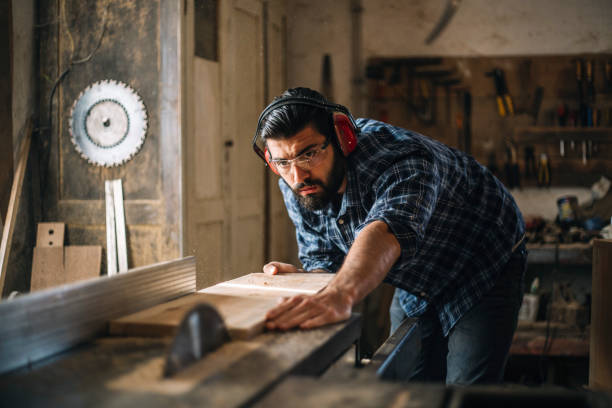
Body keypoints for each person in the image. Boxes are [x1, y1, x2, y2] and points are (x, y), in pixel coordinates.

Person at [252, 87, 527, 384]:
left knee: (465, 394)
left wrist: (340, 294)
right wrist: (311, 280)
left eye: (309, 153)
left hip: (481, 262)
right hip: (415, 277)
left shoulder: (402, 158)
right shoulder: (298, 185)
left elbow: (387, 230)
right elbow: (325, 260)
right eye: (282, 162)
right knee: (406, 385)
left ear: (343, 138)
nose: (297, 175)